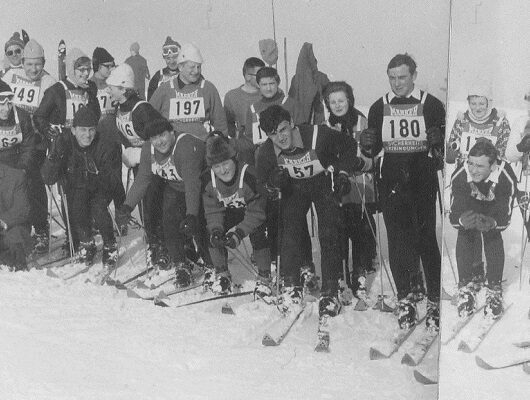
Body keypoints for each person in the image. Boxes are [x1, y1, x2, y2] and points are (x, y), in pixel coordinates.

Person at [360, 53, 445, 330]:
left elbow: (442, 152)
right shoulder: (378, 107)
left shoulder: (431, 104)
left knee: (425, 236)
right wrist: (367, 145)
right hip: (393, 177)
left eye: (403, 77)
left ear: (414, 76)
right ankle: (405, 297)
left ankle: (433, 297)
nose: (397, 83)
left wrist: (438, 141)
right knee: (397, 239)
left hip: (422, 175)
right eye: (392, 77)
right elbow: (372, 151)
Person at [255, 105, 366, 316]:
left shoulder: (316, 135)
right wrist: (272, 181)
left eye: (283, 129)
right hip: (295, 187)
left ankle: (331, 288)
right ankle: (291, 286)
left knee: (329, 230)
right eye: (273, 134)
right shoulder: (267, 150)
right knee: (289, 230)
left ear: (292, 125)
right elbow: (262, 182)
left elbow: (349, 145)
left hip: (322, 181)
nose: (280, 137)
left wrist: (342, 172)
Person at [115, 118, 206, 287]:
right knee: (169, 222)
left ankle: (212, 265)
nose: (159, 141)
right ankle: (181, 264)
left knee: (199, 227)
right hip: (176, 186)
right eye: (154, 138)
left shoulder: (185, 147)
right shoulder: (148, 149)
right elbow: (143, 179)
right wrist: (127, 206)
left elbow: (193, 184)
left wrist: (191, 215)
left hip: (202, 187)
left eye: (162, 135)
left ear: (172, 132)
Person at [103, 63, 169, 269]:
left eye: (112, 87)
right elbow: (125, 136)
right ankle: (154, 241)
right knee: (144, 206)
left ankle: (159, 246)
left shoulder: (142, 109)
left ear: (123, 88)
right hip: (138, 164)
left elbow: (162, 137)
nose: (109, 90)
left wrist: (140, 153)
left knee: (152, 205)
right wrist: (127, 151)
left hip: (154, 163)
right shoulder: (120, 108)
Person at [40, 107, 121, 269]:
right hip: (76, 188)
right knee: (77, 202)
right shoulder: (65, 142)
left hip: (100, 188)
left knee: (97, 207)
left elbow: (112, 179)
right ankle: (86, 243)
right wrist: (55, 155)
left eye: (91, 130)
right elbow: (48, 178)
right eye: (83, 130)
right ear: (73, 130)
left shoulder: (104, 144)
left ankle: (110, 245)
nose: (88, 135)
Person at [449, 140, 517, 319]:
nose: (473, 169)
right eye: (470, 163)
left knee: (492, 235)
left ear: (493, 166)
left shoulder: (505, 175)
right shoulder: (461, 175)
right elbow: (454, 213)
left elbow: (506, 214)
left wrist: (493, 222)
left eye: (479, 165)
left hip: (493, 207)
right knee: (465, 232)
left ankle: (494, 287)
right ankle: (466, 284)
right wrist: (461, 221)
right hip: (470, 204)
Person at [1, 39, 56, 253]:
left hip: (35, 142)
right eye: (29, 64)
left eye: (38, 64)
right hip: (13, 137)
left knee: (33, 182)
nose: (33, 69)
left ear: (43, 62)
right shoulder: (10, 76)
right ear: (22, 62)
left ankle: (41, 229)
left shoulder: (49, 82)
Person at [322, 81, 377, 294]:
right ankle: (341, 273)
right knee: (338, 228)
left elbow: (372, 157)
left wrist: (361, 161)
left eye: (341, 101)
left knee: (360, 227)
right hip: (336, 183)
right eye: (332, 102)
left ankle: (360, 271)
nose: (337, 105)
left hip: (360, 183)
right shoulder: (325, 126)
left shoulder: (361, 122)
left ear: (349, 100)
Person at [202, 132, 270, 295]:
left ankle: (265, 276)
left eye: (225, 163)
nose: (223, 170)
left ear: (234, 159)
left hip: (254, 213)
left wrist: (238, 234)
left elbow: (257, 213)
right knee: (211, 233)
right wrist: (217, 230)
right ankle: (222, 274)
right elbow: (213, 211)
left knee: (259, 232)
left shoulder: (249, 176)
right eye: (217, 166)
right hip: (230, 211)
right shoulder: (208, 181)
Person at [149, 43, 228, 141]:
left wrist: (221, 142)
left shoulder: (207, 88)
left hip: (202, 143)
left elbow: (220, 121)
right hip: (174, 146)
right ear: (181, 67)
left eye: (199, 67)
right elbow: (149, 115)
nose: (196, 71)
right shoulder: (165, 89)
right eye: (192, 67)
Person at [446, 79, 511, 165]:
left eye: (481, 104)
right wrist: (452, 151)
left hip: (491, 173)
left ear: (488, 103)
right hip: (465, 171)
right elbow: (452, 145)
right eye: (473, 104)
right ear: (469, 103)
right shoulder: (462, 120)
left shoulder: (500, 122)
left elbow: (507, 152)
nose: (477, 108)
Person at [244, 67, 305, 150]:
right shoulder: (253, 109)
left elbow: (302, 131)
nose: (268, 88)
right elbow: (249, 140)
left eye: (272, 83)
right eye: (264, 84)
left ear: (278, 83)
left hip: (289, 154)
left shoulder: (291, 104)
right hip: (263, 156)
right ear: (258, 85)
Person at [224, 57, 265, 164]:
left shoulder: (268, 93)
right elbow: (228, 123)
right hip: (245, 146)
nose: (263, 78)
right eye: (259, 75)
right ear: (247, 76)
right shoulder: (231, 96)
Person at [0, 162, 31, 271]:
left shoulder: (15, 176)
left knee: (15, 237)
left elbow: (22, 210)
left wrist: (2, 222)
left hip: (9, 228)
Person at [146, 36, 180, 101]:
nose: (172, 62)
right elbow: (150, 101)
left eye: (174, 58)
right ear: (164, 58)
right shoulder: (158, 76)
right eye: (168, 58)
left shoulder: (187, 73)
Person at [90, 47, 116, 117]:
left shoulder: (115, 84)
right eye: (108, 66)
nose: (110, 69)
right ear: (98, 66)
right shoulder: (89, 85)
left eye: (112, 66)